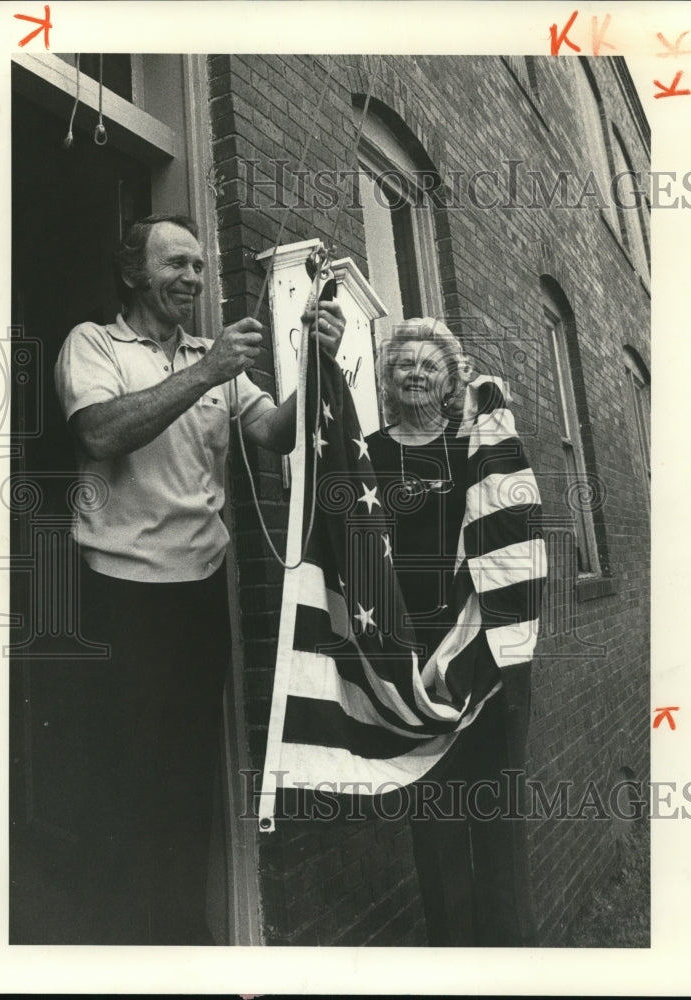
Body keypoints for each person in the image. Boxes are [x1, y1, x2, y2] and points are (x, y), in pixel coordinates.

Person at [53, 213, 345, 944]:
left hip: (197, 597)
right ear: (133, 274)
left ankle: (185, 947)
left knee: (186, 783)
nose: (192, 278)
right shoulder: (95, 344)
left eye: (198, 267)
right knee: (118, 783)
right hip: (119, 600)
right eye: (176, 264)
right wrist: (207, 370)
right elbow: (99, 433)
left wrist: (314, 363)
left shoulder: (209, 356)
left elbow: (274, 432)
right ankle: (113, 951)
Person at [366, 318, 536, 947]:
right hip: (415, 668)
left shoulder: (475, 448)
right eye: (403, 363)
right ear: (386, 378)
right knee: (435, 828)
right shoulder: (369, 454)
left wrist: (482, 402)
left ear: (450, 379)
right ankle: (453, 967)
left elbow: (515, 524)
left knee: (497, 821)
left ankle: (514, 967)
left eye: (430, 364)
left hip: (487, 652)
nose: (415, 373)